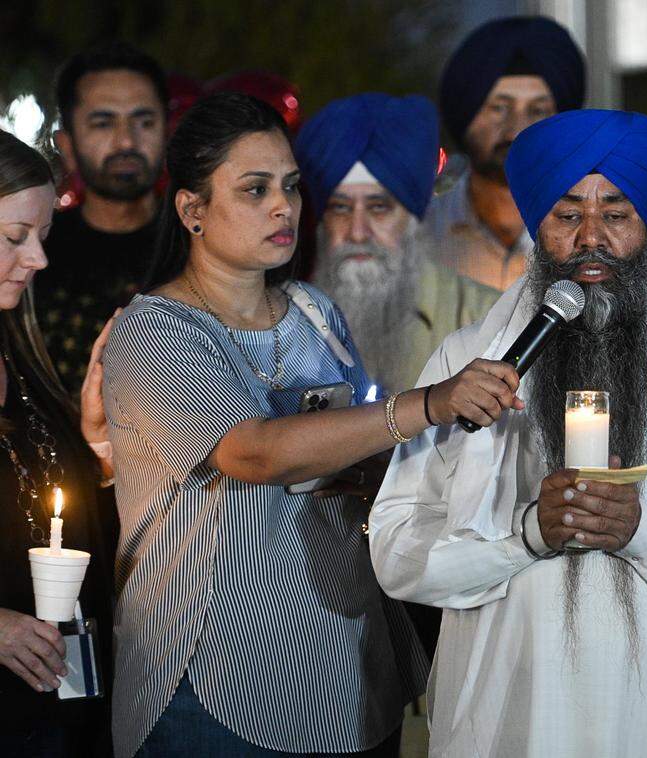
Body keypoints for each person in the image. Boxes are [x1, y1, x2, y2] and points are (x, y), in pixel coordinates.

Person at [100, 92, 527, 758]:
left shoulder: (313, 312)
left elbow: (352, 455)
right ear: (192, 210)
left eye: (293, 188)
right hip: (216, 678)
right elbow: (255, 454)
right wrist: (429, 405)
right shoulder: (152, 331)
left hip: (345, 662)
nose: (283, 207)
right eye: (255, 190)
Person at [370, 108, 647, 758]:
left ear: (645, 225)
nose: (590, 238)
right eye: (568, 215)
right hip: (514, 718)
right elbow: (397, 553)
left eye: (615, 215)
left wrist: (645, 530)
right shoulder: (467, 365)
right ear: (539, 225)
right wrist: (527, 537)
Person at [0, 130, 117, 755]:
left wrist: (94, 451)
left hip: (64, 699)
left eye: (42, 236)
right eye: (17, 237)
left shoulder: (20, 356)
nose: (39, 259)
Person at [295, 93, 499, 394]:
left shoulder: (487, 317)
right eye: (340, 208)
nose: (358, 232)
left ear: (414, 219)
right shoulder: (284, 320)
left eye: (379, 208)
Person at [35, 42, 167, 396]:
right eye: (103, 122)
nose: (126, 141)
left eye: (144, 121)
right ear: (67, 145)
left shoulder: (204, 243)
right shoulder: (33, 258)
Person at [420, 15, 585, 291]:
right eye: (499, 108)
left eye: (538, 111)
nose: (517, 130)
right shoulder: (419, 234)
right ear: (466, 113)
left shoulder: (589, 238)